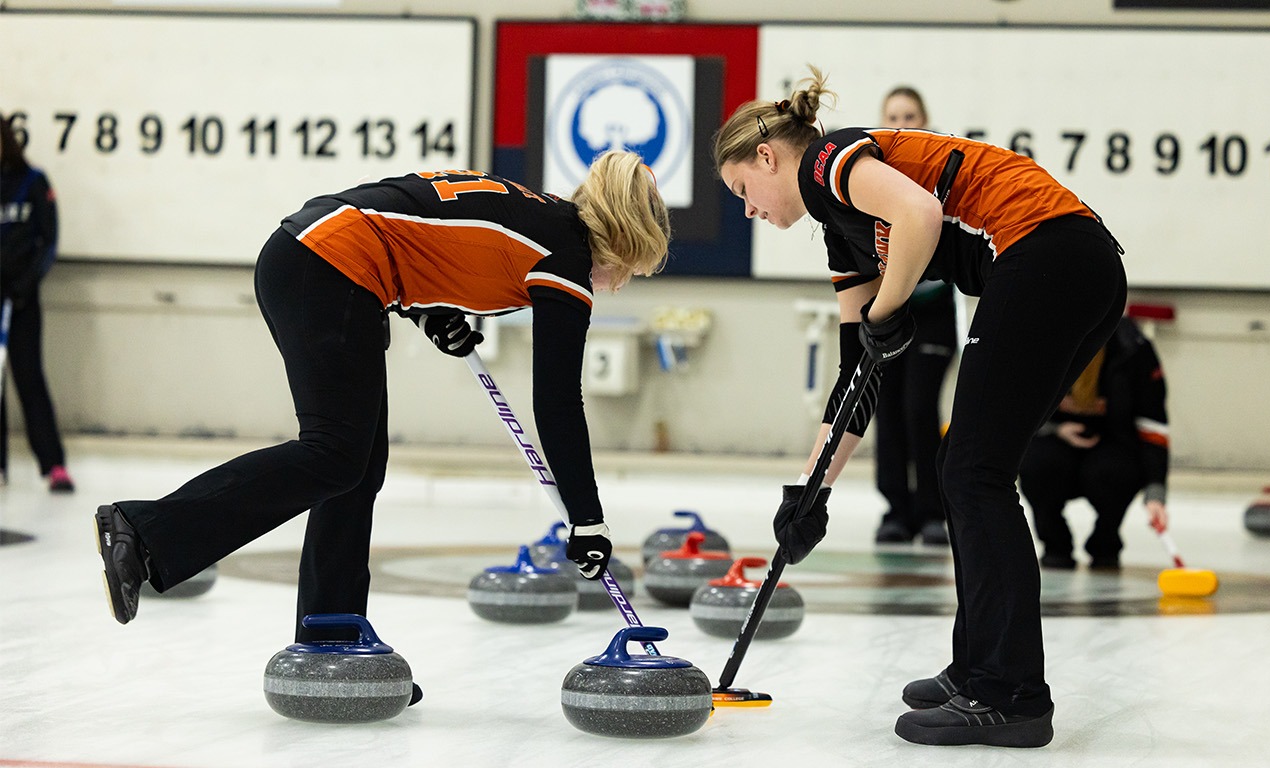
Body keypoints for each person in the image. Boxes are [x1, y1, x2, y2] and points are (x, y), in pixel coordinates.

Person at [95, 152, 670, 659]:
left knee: (357, 466)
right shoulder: (565, 254)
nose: (617, 283)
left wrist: (426, 308)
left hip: (319, 259)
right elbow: (559, 401)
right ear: (621, 239)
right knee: (337, 453)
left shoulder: (536, 213)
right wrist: (587, 517)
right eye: (629, 268)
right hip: (328, 266)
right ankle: (144, 531)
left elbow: (417, 224)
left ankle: (330, 633)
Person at [713, 68, 1126, 748]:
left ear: (767, 158)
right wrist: (809, 492)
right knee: (967, 467)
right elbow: (858, 373)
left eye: (742, 191)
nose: (749, 209)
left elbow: (921, 215)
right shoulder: (840, 234)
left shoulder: (827, 162)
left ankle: (1011, 693)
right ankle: (979, 668)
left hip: (1048, 252)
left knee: (972, 472)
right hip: (1070, 267)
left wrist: (889, 306)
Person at [870, 86, 955, 546]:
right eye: (893, 115)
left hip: (935, 312)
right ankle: (895, 509)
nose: (902, 122)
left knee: (920, 406)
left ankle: (931, 509)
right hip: (888, 308)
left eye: (911, 114)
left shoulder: (941, 168)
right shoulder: (871, 172)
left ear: (925, 118)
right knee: (888, 409)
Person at [1020, 315, 1169, 570]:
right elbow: (1014, 410)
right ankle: (1055, 544)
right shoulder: (1038, 339)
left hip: (1115, 440)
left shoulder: (1134, 347)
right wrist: (1055, 429)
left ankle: (1105, 542)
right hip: (1054, 436)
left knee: (1114, 472)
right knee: (1038, 465)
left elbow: (1152, 423)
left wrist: (1155, 492)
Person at [0, 113, 74, 492]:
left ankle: (53, 464)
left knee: (29, 378)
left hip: (22, 298)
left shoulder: (32, 182)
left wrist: (26, 284)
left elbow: (48, 240)